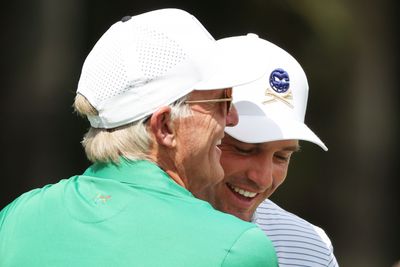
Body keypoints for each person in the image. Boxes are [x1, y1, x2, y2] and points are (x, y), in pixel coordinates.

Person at [0, 9, 278, 266]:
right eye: (223, 100)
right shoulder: (237, 248)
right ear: (165, 126)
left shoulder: (17, 217)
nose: (232, 119)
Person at [197, 35, 339, 266]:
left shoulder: (311, 247)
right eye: (244, 149)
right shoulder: (129, 224)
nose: (262, 179)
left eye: (282, 157)